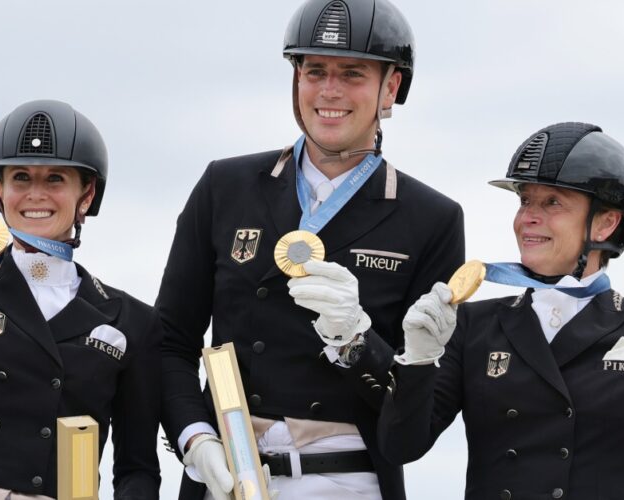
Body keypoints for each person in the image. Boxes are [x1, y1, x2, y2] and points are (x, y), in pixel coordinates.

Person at [155, 0, 464, 498]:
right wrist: (193, 435)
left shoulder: (431, 218)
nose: (329, 91)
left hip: (350, 478)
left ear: (391, 87)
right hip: (230, 472)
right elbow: (171, 340)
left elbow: (411, 426)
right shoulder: (225, 185)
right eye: (313, 70)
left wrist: (357, 342)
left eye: (352, 74)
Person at [377, 121, 624, 499]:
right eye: (525, 201)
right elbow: (400, 446)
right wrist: (417, 362)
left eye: (551, 202)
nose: (528, 218)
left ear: (605, 223)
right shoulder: (472, 325)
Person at [0, 100, 162, 500]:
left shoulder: (131, 321)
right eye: (21, 177)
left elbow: (137, 469)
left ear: (87, 193)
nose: (35, 194)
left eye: (55, 178)